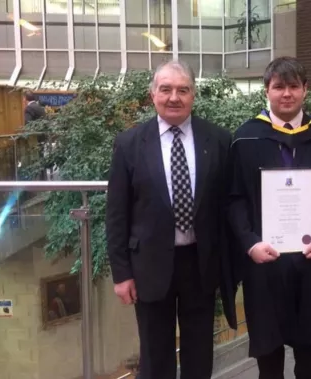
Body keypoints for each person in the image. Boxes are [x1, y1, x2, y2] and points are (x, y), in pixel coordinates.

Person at [105, 60, 236, 379]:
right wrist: (121, 274)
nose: (174, 97)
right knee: (155, 355)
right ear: (153, 95)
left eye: (183, 90)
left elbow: (227, 207)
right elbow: (117, 213)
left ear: (194, 95)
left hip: (200, 264)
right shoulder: (129, 143)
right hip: (148, 265)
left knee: (199, 352)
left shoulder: (218, 139)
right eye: (166, 89)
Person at [227, 56, 311, 379]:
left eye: (293, 86)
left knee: (308, 360)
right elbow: (234, 200)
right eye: (279, 86)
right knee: (269, 358)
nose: (286, 94)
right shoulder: (246, 138)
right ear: (266, 90)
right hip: (265, 263)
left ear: (305, 90)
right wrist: (250, 243)